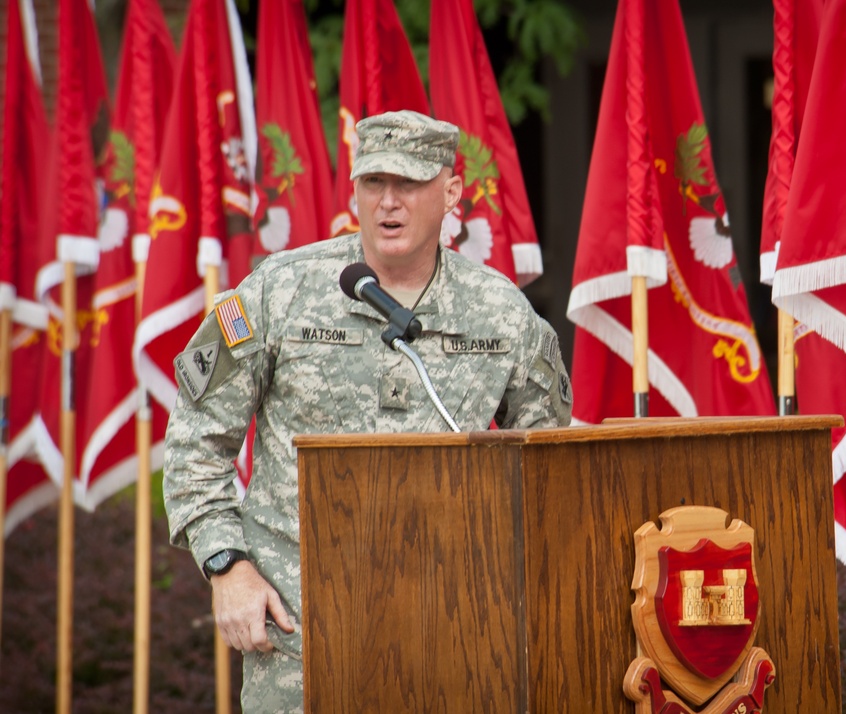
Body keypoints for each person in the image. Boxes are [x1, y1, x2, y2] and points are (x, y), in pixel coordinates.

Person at [162, 109, 573, 712]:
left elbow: (546, 469)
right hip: (299, 639)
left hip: (453, 637)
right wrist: (227, 566)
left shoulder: (503, 314)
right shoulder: (280, 290)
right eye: (373, 183)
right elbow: (196, 440)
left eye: (408, 183)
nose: (389, 203)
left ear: (452, 192)